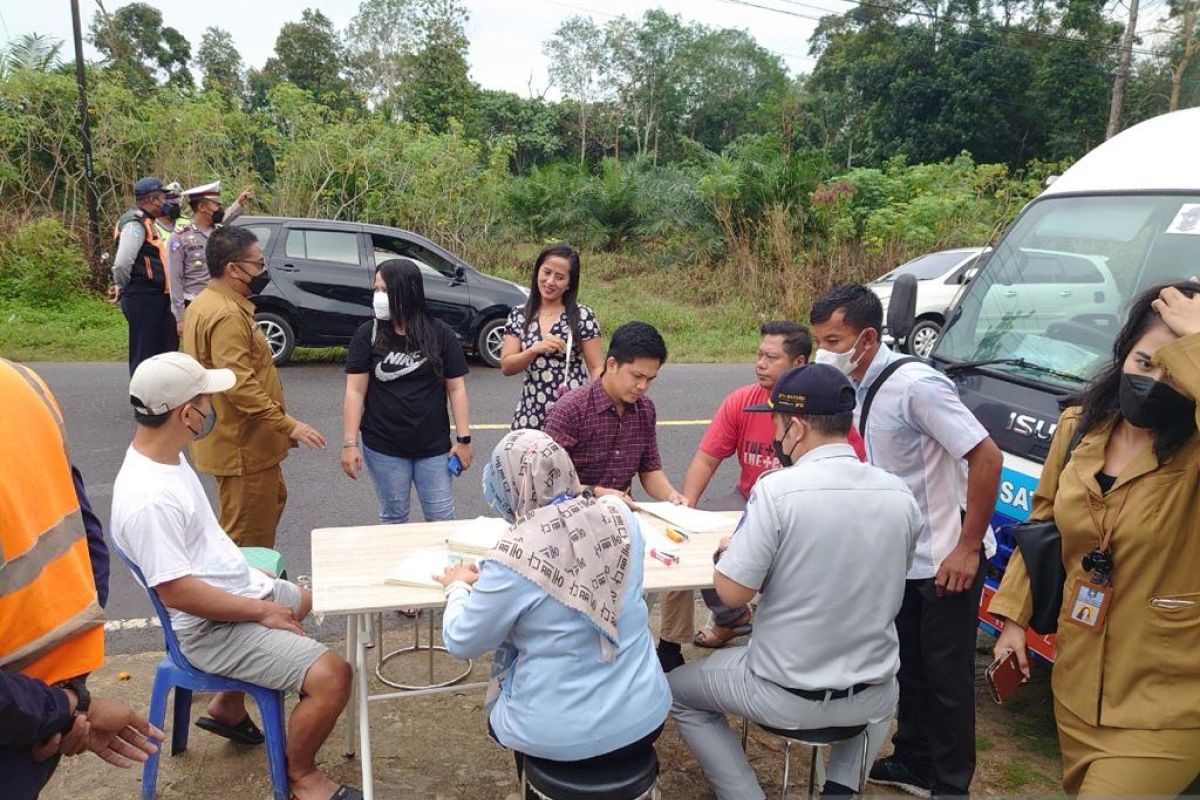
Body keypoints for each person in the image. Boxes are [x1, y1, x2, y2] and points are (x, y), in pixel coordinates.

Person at [111, 352, 359, 800]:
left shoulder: (165, 457)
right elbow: (178, 592)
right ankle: (301, 776)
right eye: (206, 401)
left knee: (305, 598)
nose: (211, 409)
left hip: (232, 591)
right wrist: (262, 611)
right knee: (333, 675)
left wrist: (256, 584)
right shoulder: (149, 499)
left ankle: (228, 705)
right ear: (187, 414)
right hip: (208, 628)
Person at [668, 364, 922, 800]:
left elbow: (730, 593)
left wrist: (727, 552)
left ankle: (745, 794)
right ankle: (840, 789)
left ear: (797, 428)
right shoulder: (899, 494)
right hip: (873, 690)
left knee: (677, 692)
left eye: (778, 426)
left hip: (784, 690)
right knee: (882, 696)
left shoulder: (778, 490)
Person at [991, 281, 1200, 795]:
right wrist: (1014, 617)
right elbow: (1043, 525)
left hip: (1167, 701)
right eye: (1145, 361)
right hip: (1076, 680)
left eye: (1177, 371)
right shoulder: (1082, 428)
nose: (1154, 381)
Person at [810, 284, 1003, 798]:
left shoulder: (918, 386)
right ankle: (914, 761)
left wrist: (967, 547)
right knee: (908, 667)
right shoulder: (856, 386)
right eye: (820, 339)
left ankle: (950, 784)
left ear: (867, 338)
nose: (824, 350)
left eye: (834, 339)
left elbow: (986, 458)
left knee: (947, 679)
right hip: (900, 557)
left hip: (945, 557)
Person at [438, 429, 670, 776]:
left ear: (512, 485)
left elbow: (462, 641)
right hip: (646, 715)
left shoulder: (512, 557)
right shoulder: (622, 519)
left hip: (557, 735)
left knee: (511, 711)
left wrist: (457, 587)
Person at [1, 358, 163, 800]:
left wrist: (64, 711)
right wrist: (70, 699)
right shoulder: (21, 383)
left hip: (29, 721)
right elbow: (86, 543)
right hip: (39, 719)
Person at [666, 322, 867, 655]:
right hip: (748, 499)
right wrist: (686, 509)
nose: (760, 363)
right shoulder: (742, 401)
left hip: (806, 508)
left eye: (771, 358)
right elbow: (706, 459)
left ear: (798, 363)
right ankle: (727, 617)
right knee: (692, 541)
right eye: (759, 355)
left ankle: (786, 633)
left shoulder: (824, 411)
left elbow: (853, 472)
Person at [542, 320, 690, 670]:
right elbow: (545, 486)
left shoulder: (645, 410)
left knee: (679, 564)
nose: (642, 386)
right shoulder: (571, 409)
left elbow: (649, 469)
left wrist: (671, 496)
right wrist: (596, 493)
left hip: (622, 520)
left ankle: (665, 649)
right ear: (610, 364)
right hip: (572, 524)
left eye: (651, 379)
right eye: (636, 376)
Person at [182, 226, 327, 548]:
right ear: (233, 268)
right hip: (241, 446)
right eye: (258, 264)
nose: (264, 271)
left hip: (248, 444)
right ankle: (245, 596)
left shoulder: (207, 303)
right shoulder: (226, 314)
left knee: (270, 503)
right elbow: (239, 384)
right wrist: (290, 426)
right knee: (247, 540)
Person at [340, 258, 474, 523]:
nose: (378, 297)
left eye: (385, 291)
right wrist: (349, 443)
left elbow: (456, 388)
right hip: (384, 447)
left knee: (441, 519)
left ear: (407, 292)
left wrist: (464, 440)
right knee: (394, 518)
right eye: (376, 290)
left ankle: (446, 567)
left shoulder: (439, 333)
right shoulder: (368, 334)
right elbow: (354, 392)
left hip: (433, 447)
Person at [500, 244, 603, 430]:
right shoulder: (519, 314)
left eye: (560, 277)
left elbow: (596, 368)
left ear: (570, 283)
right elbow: (507, 366)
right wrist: (534, 350)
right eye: (546, 272)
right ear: (537, 270)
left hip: (573, 412)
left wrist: (599, 407)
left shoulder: (582, 315)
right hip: (531, 412)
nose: (550, 281)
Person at [110, 176, 178, 375]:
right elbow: (122, 263)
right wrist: (121, 287)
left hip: (158, 297)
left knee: (163, 351)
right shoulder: (135, 223)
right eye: (164, 198)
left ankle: (162, 399)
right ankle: (142, 402)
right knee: (144, 353)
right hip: (143, 296)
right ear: (153, 199)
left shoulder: (149, 222)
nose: (167, 202)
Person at [167, 181, 252, 336]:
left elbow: (225, 218)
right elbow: (175, 280)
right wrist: (179, 317)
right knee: (199, 354)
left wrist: (239, 203)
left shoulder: (218, 232)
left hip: (222, 302)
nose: (219, 209)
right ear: (202, 208)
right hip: (195, 303)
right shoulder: (180, 237)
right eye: (216, 205)